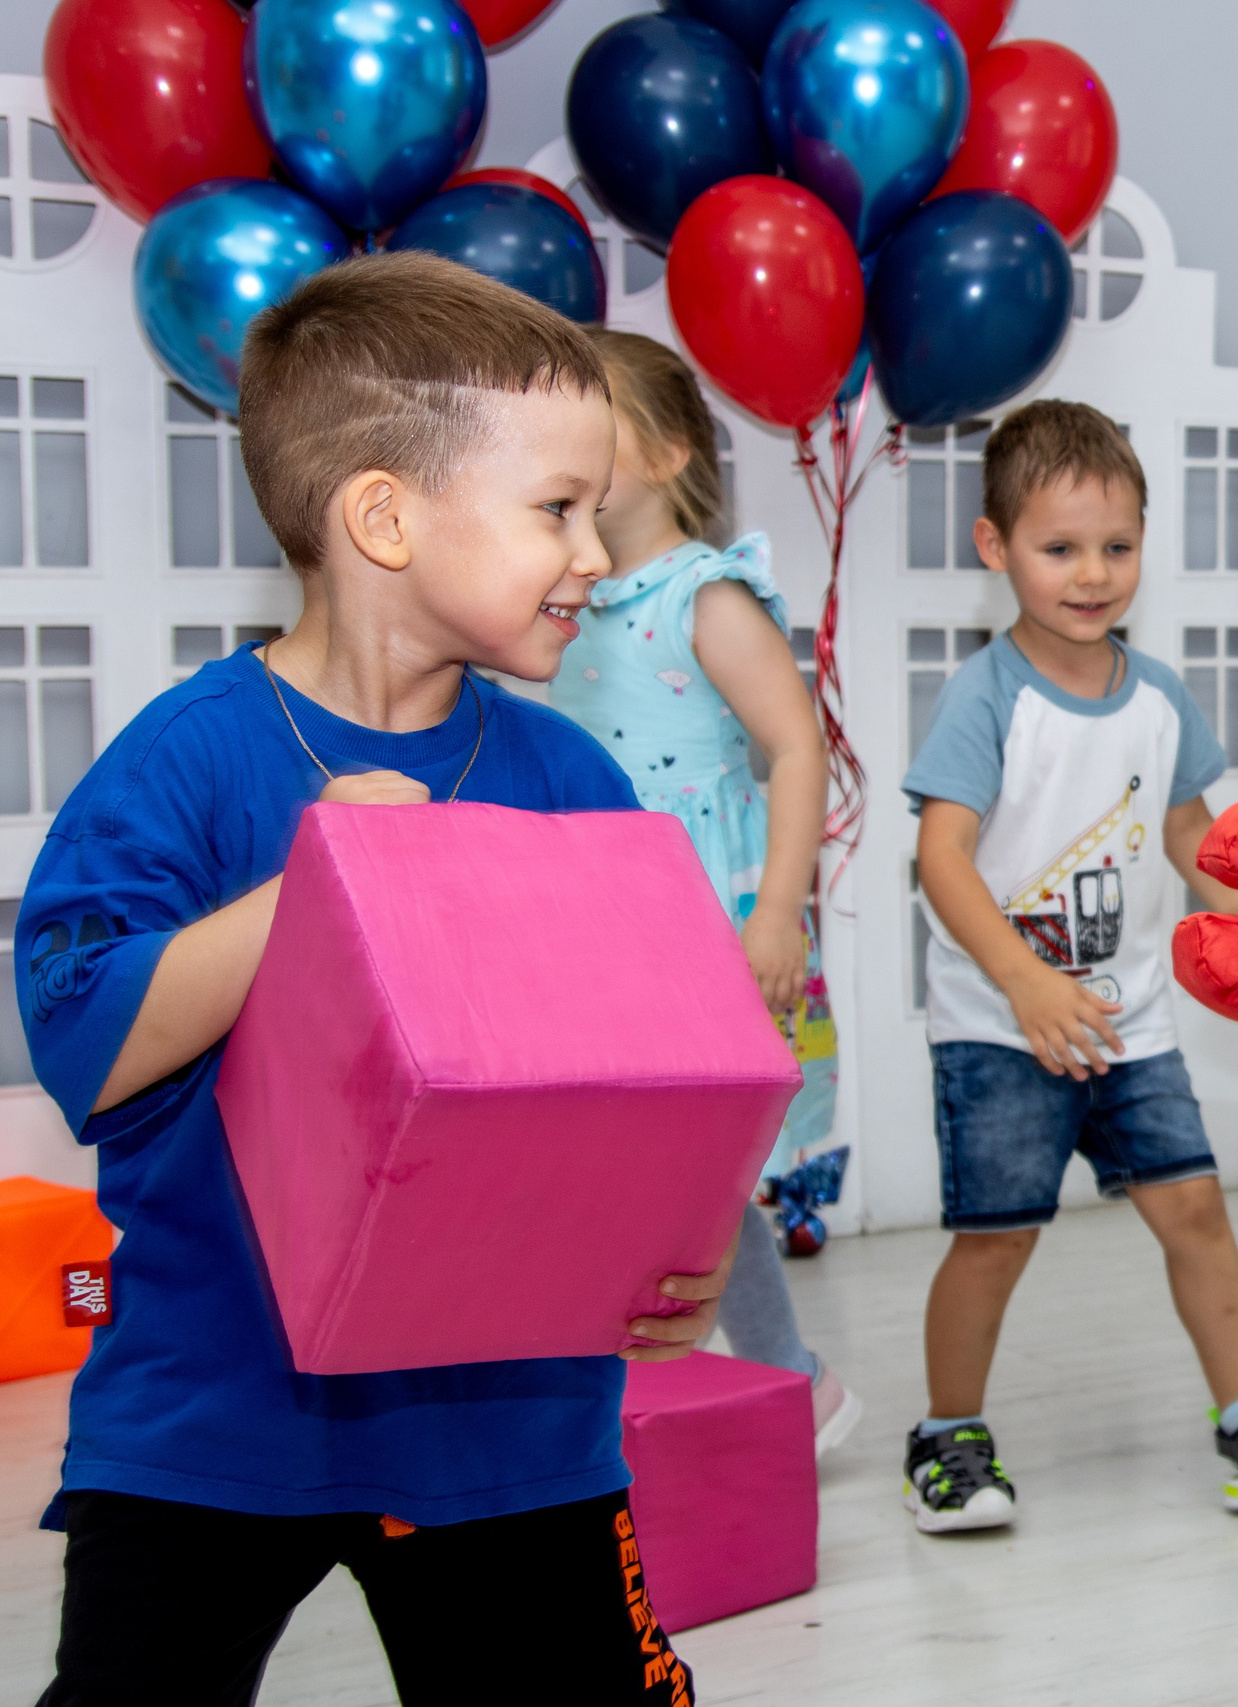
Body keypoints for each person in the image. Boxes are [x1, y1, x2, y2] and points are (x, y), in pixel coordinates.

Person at [21, 253, 726, 1705]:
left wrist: (678, 1246)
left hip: (513, 1429)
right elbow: (85, 1033)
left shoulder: (573, 780)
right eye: (558, 508)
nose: (597, 553)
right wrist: (317, 886)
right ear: (385, 517)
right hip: (214, 1417)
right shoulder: (189, 758)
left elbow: (644, 1075)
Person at [898, 399, 1238, 1533]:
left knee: (1195, 1210)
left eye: (1116, 547)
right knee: (995, 1237)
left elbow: (1190, 836)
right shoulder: (989, 697)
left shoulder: (1158, 696)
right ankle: (946, 1440)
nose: (1091, 573)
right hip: (998, 1024)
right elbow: (940, 856)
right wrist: (1022, 980)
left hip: (1133, 1022)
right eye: (1058, 548)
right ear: (994, 547)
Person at [550, 329, 855, 1458]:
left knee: (701, 1176)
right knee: (624, 1172)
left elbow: (795, 750)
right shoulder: (561, 598)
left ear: (672, 451)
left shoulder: (705, 596)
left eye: (596, 430)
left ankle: (787, 1376)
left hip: (703, 927)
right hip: (601, 927)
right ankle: (633, 1390)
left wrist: (775, 910)